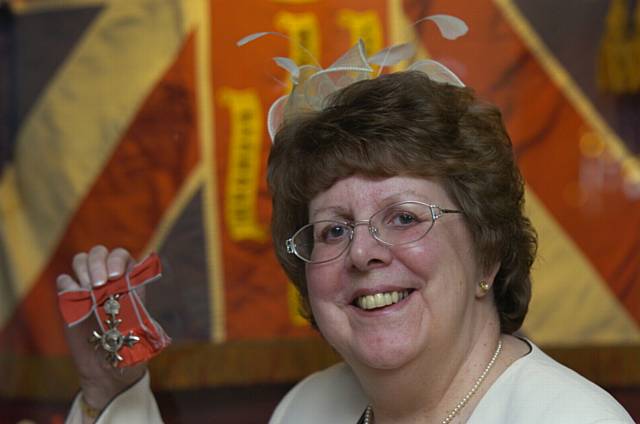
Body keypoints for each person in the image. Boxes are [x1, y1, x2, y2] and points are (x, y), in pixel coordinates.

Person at [57, 56, 634, 424]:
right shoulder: (306, 410)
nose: (362, 252)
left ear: (488, 250)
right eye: (333, 229)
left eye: (405, 217)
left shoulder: (570, 419)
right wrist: (113, 391)